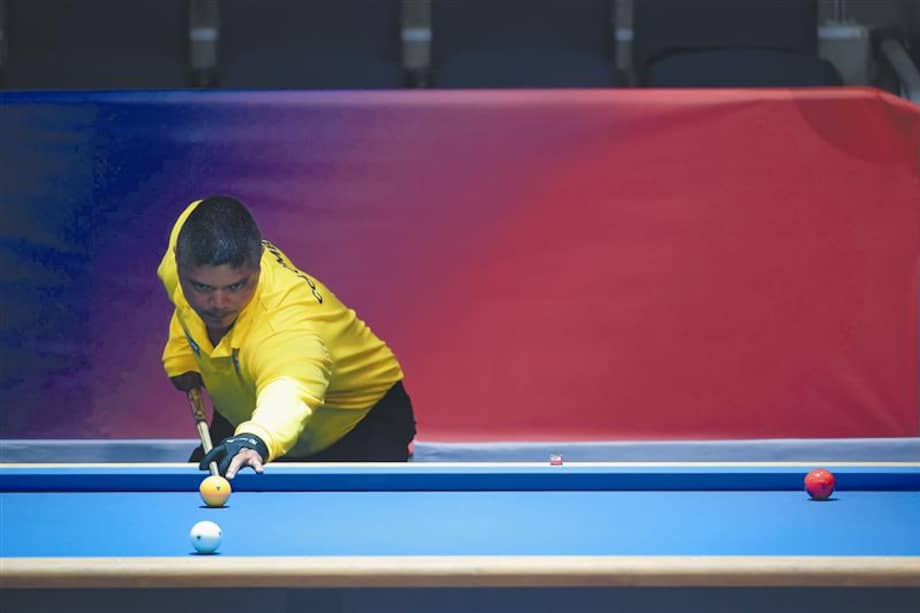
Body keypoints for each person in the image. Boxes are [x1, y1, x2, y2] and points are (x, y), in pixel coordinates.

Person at [158, 196, 416, 478]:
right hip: (248, 407)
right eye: (202, 287)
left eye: (236, 285)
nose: (218, 303)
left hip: (357, 425)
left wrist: (256, 437)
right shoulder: (184, 252)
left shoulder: (286, 323)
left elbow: (292, 389)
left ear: (257, 267)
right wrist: (182, 355)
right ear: (179, 267)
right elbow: (184, 308)